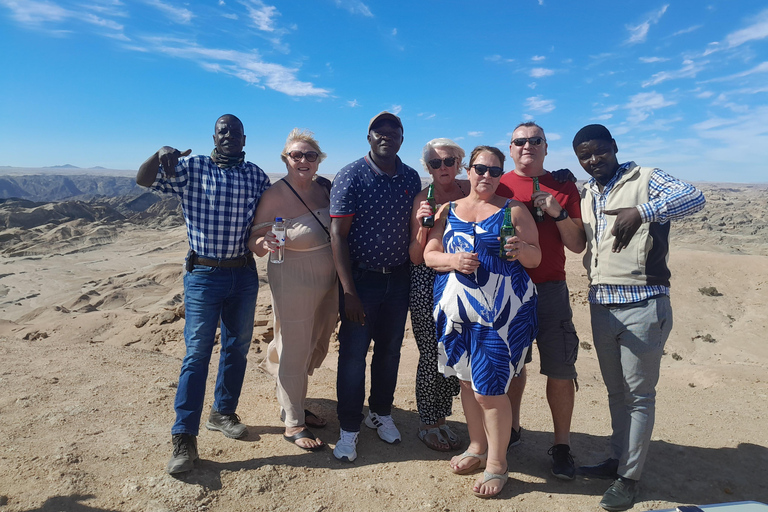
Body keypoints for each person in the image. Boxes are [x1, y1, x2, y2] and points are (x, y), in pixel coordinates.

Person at [572, 124, 705, 511]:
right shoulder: (588, 192)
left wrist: (643, 211)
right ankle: (618, 460)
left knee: (639, 396)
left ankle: (629, 479)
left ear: (614, 147)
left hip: (643, 304)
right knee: (617, 393)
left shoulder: (646, 178)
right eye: (584, 155)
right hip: (601, 303)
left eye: (599, 151)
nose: (593, 160)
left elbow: (694, 198)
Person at [136, 114, 270, 475]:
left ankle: (222, 412)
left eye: (235, 131)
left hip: (243, 273)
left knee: (237, 346)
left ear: (245, 138)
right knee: (196, 354)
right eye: (223, 130)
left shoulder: (256, 176)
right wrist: (158, 153)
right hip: (204, 274)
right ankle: (183, 437)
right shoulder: (190, 168)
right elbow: (143, 180)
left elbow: (272, 213)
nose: (229, 135)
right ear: (214, 136)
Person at [424, 145, 541, 498]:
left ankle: (497, 464)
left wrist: (521, 249)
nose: (486, 176)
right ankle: (477, 447)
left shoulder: (513, 210)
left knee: (490, 391)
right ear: (468, 170)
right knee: (465, 384)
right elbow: (430, 256)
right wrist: (453, 260)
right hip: (457, 314)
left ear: (500, 174)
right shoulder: (449, 210)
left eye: (493, 171)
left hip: (499, 317)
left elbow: (536, 258)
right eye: (479, 169)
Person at [329, 111, 422, 462]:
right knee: (353, 357)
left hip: (398, 279)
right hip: (361, 281)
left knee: (390, 352)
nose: (386, 136)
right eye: (378, 132)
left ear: (401, 138)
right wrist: (349, 290)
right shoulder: (351, 174)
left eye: (393, 132)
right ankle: (349, 428)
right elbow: (337, 235)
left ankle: (380, 413)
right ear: (368, 137)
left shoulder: (410, 177)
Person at [496, 122, 586, 480]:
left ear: (547, 147)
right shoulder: (498, 183)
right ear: (511, 148)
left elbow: (578, 244)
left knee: (561, 369)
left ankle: (561, 446)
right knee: (513, 367)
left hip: (550, 290)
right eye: (520, 141)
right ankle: (513, 429)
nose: (528, 146)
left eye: (536, 140)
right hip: (508, 290)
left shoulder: (564, 187)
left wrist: (557, 211)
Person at [248, 128, 338, 452]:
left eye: (309, 155)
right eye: (295, 155)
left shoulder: (326, 189)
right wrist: (265, 241)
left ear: (318, 160)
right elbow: (255, 244)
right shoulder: (275, 195)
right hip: (293, 278)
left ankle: (293, 403)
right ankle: (293, 423)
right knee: (295, 345)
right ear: (286, 159)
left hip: (329, 282)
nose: (302, 160)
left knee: (316, 341)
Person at [409, 138, 470, 452]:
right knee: (431, 353)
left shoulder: (471, 191)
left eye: (449, 161)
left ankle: (443, 418)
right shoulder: (423, 197)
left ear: (460, 163)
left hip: (463, 283)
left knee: (453, 351)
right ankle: (428, 421)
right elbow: (415, 257)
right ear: (428, 168)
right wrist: (422, 225)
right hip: (426, 282)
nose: (443, 168)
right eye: (435, 163)